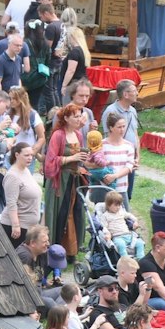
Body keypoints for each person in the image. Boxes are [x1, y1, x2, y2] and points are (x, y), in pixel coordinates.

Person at [43, 104, 92, 257]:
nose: (79, 119)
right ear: (66, 118)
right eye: (75, 117)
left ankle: (71, 250)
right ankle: (55, 248)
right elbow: (50, 161)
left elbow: (79, 158)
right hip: (60, 182)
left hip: (73, 179)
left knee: (74, 212)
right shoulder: (58, 135)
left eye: (79, 116)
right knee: (61, 213)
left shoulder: (78, 135)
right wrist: (71, 158)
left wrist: (83, 160)